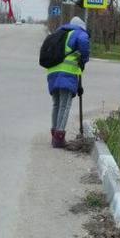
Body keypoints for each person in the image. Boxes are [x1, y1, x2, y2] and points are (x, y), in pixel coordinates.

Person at [44, 15, 89, 149]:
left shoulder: (60, 33)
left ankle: (54, 134)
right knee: (65, 105)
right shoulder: (78, 32)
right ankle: (59, 138)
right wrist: (85, 58)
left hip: (52, 72)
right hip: (67, 73)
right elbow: (84, 41)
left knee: (56, 104)